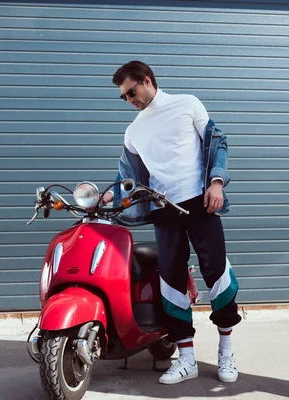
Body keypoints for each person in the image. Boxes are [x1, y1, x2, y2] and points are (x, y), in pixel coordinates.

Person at [103, 61, 242, 385]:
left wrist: (217, 182)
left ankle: (226, 349)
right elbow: (127, 177)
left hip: (199, 203)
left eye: (131, 92)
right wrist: (108, 195)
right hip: (163, 209)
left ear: (146, 80)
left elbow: (216, 142)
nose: (129, 100)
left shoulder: (187, 104)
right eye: (123, 97)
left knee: (216, 272)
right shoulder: (133, 131)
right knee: (171, 281)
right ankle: (186, 357)